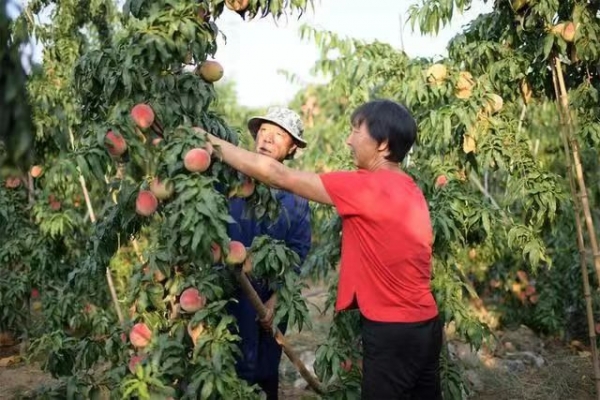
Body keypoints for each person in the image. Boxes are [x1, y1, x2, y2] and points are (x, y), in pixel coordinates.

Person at [208, 99, 442, 399]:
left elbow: (279, 176)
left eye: (356, 131)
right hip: (425, 324)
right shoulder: (409, 187)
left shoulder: (368, 186)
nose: (348, 140)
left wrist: (210, 141)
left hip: (392, 330)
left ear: (382, 145)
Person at [225, 107, 312, 400]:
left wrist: (276, 301)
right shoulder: (230, 181)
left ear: (291, 149)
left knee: (263, 372)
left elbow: (298, 254)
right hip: (226, 293)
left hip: (268, 300)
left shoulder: (298, 197)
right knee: (228, 369)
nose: (267, 139)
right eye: (263, 131)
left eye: (279, 135)